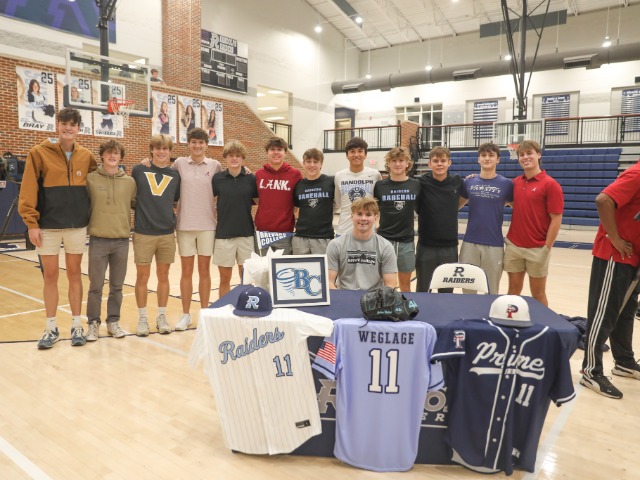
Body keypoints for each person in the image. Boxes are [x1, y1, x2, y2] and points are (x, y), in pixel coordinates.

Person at [18, 107, 97, 349]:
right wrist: (31, 223)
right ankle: (51, 328)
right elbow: (28, 189)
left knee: (75, 274)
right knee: (50, 275)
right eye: (64, 123)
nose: (68, 128)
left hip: (76, 226)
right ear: (57, 125)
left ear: (79, 129)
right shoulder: (38, 153)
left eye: (73, 124)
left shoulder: (86, 156)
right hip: (48, 227)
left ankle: (77, 325)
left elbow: (100, 178)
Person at [580, 159, 640, 399]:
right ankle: (591, 371)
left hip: (633, 257)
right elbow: (603, 200)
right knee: (603, 313)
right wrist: (614, 238)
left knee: (625, 312)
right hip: (615, 255)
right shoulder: (637, 173)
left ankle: (624, 362)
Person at [85, 140, 137, 341]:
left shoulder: (130, 182)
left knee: (117, 286)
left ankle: (113, 321)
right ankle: (93, 323)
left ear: (121, 157)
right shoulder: (91, 179)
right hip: (98, 240)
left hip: (121, 241)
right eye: (109, 152)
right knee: (95, 286)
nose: (112, 156)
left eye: (116, 153)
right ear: (102, 156)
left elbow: (137, 205)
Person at [131, 134, 180, 336]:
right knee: (142, 276)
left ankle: (161, 316)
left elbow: (174, 200)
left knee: (163, 276)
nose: (161, 152)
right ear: (151, 150)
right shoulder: (139, 170)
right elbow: (132, 198)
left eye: (165, 148)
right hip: (144, 233)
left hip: (167, 233)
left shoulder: (175, 175)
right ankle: (142, 318)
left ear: (169, 152)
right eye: (158, 148)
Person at [172, 128, 221, 330]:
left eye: (201, 143)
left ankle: (204, 314)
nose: (197, 146)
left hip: (207, 226)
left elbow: (227, 182)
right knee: (186, 272)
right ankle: (185, 315)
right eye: (194, 142)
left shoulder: (215, 165)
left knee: (204, 271)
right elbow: (164, 176)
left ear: (206, 145)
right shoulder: (179, 164)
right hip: (184, 225)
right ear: (188, 144)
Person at [504, 140, 563, 307]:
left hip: (538, 248)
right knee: (512, 291)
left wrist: (547, 247)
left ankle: (543, 322)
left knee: (538, 294)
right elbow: (504, 201)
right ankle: (510, 321)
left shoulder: (551, 185)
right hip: (514, 246)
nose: (525, 157)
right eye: (521, 154)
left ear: (538, 155)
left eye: (529, 153)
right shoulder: (515, 183)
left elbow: (556, 219)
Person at [458, 142, 514, 294]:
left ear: (498, 159)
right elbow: (454, 207)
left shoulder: (506, 184)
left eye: (491, 155)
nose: (487, 158)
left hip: (494, 244)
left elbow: (519, 209)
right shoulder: (469, 182)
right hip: (470, 243)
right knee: (468, 291)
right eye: (483, 155)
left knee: (491, 291)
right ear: (478, 159)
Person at [212, 140, 258, 297]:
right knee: (224, 278)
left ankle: (245, 307)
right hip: (223, 235)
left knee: (246, 279)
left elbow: (259, 201)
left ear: (242, 158)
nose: (234, 158)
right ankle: (224, 308)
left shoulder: (251, 179)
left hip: (246, 235)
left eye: (238, 156)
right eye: (231, 155)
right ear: (225, 157)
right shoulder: (217, 179)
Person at [415, 146, 462, 292]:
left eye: (443, 161)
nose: (439, 164)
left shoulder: (457, 181)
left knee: (446, 292)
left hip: (449, 247)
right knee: (423, 290)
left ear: (449, 163)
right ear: (429, 164)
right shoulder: (420, 183)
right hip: (426, 246)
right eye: (435, 161)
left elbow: (463, 199)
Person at [373, 147, 419, 292]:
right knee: (383, 284)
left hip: (406, 241)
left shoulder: (416, 185)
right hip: (384, 240)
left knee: (405, 285)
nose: (397, 164)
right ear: (388, 163)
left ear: (407, 163)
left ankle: (404, 306)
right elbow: (373, 210)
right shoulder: (380, 186)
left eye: (401, 160)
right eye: (394, 160)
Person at [326, 196, 397, 290]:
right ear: (352, 216)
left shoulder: (386, 247)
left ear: (375, 218)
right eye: (359, 214)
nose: (363, 218)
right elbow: (328, 282)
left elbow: (390, 285)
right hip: (344, 296)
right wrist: (340, 297)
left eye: (368, 214)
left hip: (374, 297)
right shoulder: (335, 245)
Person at [254, 137, 301, 255]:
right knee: (262, 266)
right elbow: (256, 198)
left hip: (284, 233)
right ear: (267, 152)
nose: (276, 152)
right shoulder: (259, 174)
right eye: (272, 149)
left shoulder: (295, 174)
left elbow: (299, 202)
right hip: (262, 233)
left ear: (285, 152)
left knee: (283, 267)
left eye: (279, 149)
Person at [334, 137, 382, 236]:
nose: (356, 155)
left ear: (365, 155)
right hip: (344, 231)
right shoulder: (339, 176)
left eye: (360, 151)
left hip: (368, 232)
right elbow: (338, 203)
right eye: (352, 151)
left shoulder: (375, 175)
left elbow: (378, 203)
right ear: (347, 155)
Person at [293, 148, 334, 255]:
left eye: (315, 162)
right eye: (308, 161)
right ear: (304, 163)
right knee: (299, 265)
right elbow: (296, 209)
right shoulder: (298, 185)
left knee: (324, 266)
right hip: (300, 237)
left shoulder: (331, 182)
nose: (312, 165)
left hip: (323, 237)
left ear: (321, 164)